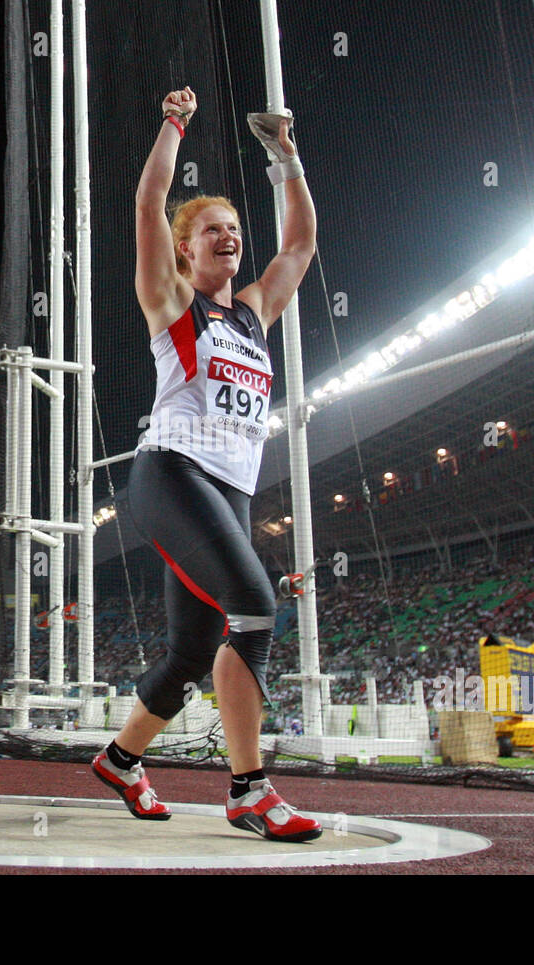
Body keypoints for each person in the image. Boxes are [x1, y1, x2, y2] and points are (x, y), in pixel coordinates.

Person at [91, 86, 321, 842]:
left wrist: (283, 156)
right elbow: (150, 198)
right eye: (210, 229)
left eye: (232, 228)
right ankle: (249, 790)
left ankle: (123, 759)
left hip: (229, 491)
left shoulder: (253, 314)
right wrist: (173, 125)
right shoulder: (172, 302)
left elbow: (300, 247)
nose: (226, 236)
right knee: (255, 607)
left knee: (193, 648)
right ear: (186, 251)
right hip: (171, 476)